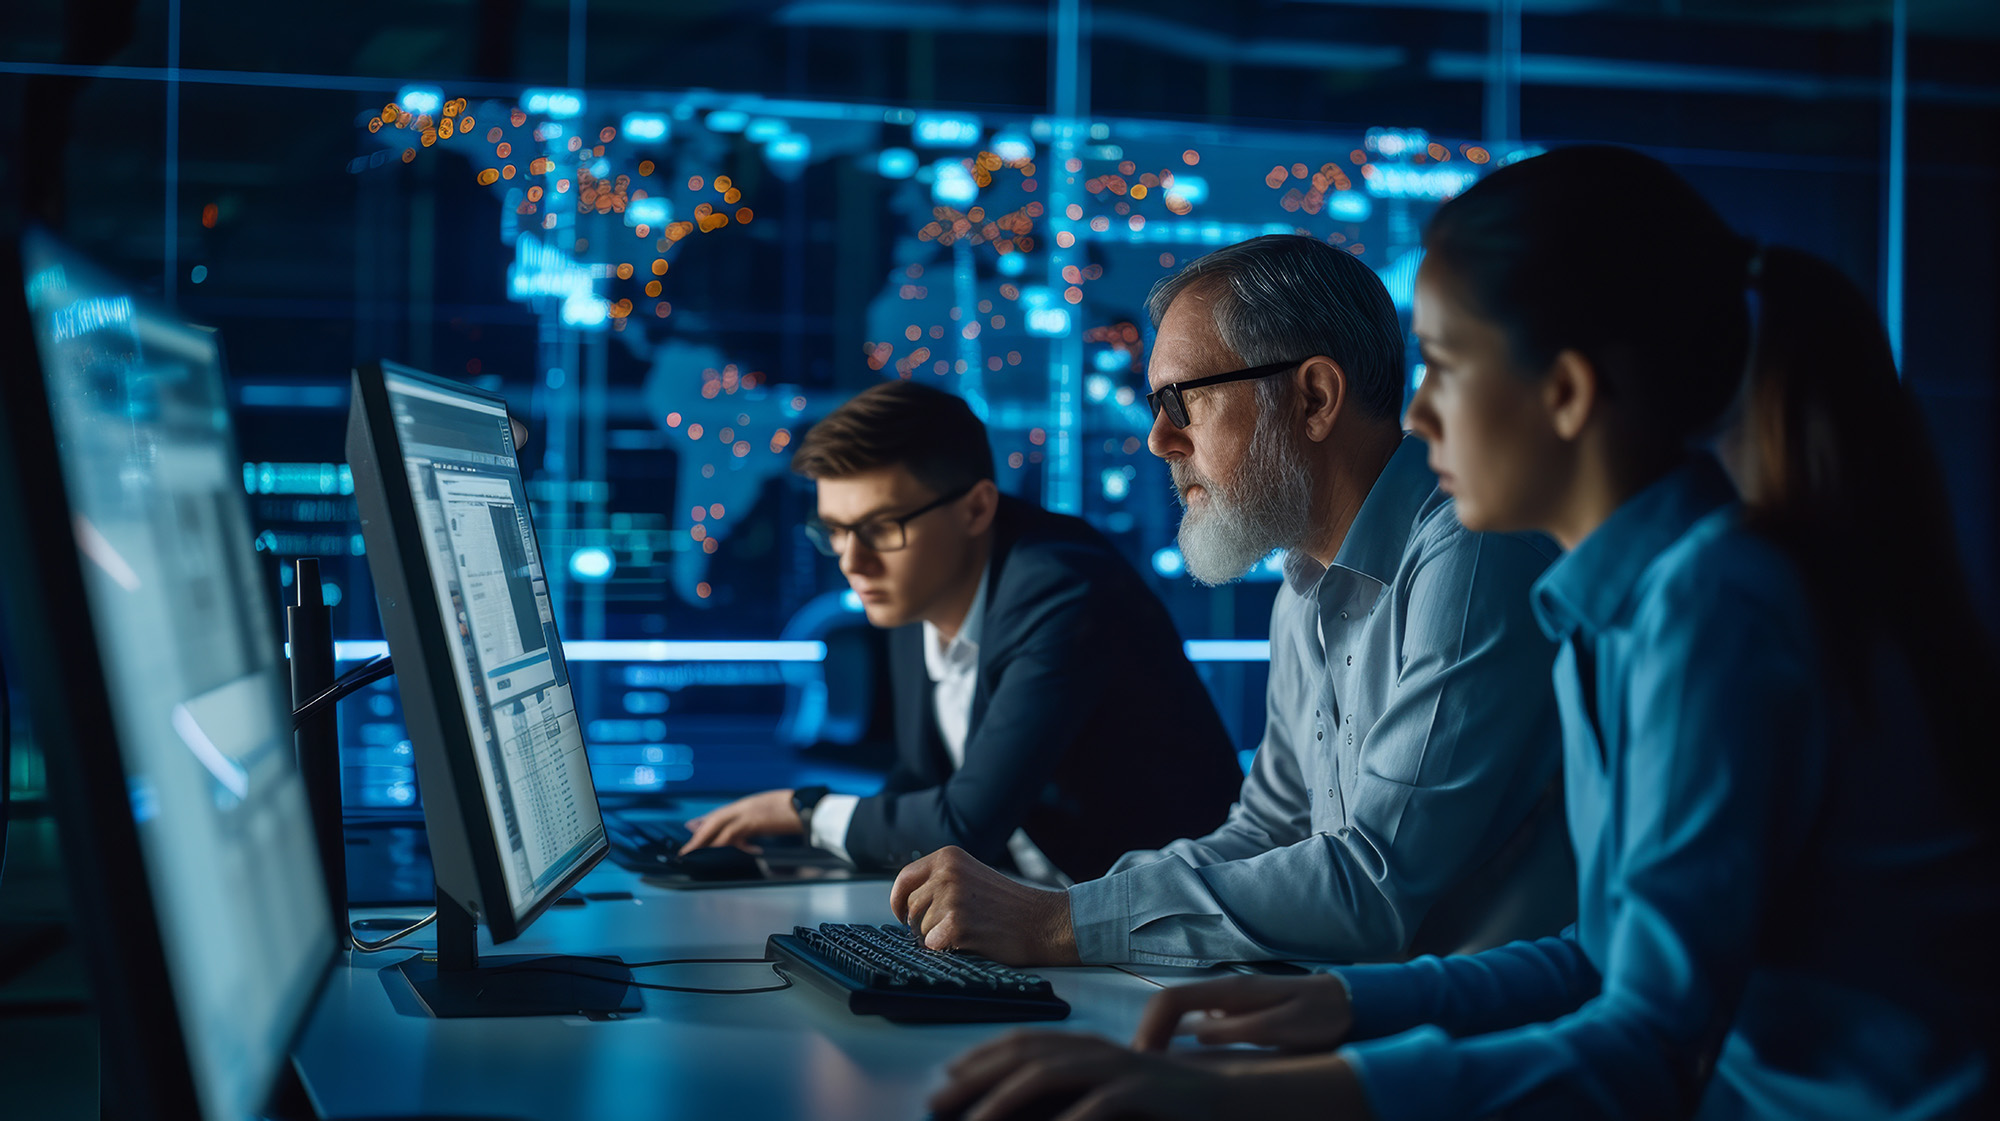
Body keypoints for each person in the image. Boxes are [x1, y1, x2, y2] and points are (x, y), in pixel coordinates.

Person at [929, 147, 1996, 1121]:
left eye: (1439, 364)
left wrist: (1247, 1090)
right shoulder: (1606, 603)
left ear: (1565, 393)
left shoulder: (1706, 600)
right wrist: (1344, 1004)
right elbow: (1602, 961)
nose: (1419, 413)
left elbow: (1647, 1044)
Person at [891, 234, 1574, 967]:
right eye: (1157, 404)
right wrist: (1054, 908)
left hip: (1458, 1047)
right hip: (1338, 1015)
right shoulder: (1305, 583)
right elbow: (1269, 829)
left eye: (1183, 400)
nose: (1159, 439)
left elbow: (1374, 883)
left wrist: (1064, 921)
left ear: (1314, 397)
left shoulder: (1471, 552)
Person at [680, 380, 1242, 884]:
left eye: (880, 528)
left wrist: (805, 812)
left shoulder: (1063, 590)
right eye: (835, 532)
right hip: (1035, 902)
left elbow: (966, 824)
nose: (854, 562)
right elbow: (919, 782)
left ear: (975, 509)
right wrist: (787, 843)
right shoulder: (914, 582)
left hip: (1165, 922)